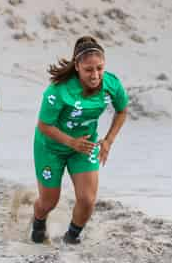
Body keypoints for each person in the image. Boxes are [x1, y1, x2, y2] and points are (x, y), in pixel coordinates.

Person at [31, 36, 128, 244]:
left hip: (84, 146)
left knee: (87, 200)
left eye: (100, 68)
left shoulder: (112, 84)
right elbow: (44, 125)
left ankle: (71, 238)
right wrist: (70, 142)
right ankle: (38, 221)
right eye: (88, 70)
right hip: (50, 146)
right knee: (49, 202)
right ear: (77, 66)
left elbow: (122, 111)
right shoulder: (58, 91)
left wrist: (108, 140)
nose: (95, 75)